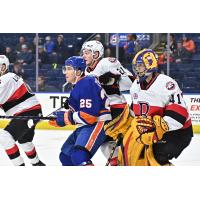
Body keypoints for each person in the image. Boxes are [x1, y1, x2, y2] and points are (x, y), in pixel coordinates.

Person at [105, 49, 193, 166]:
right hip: (150, 132)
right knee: (133, 155)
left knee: (156, 155)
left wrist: (157, 130)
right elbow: (135, 112)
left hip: (178, 132)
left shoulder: (166, 83)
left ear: (150, 66)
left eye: (140, 66)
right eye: (135, 66)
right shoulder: (135, 86)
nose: (137, 69)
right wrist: (125, 129)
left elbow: (179, 115)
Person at [49, 56, 111, 166]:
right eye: (65, 69)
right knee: (65, 156)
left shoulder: (85, 83)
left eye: (69, 69)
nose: (65, 72)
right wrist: (61, 118)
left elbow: (89, 116)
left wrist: (64, 118)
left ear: (78, 71)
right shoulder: (80, 85)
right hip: (85, 125)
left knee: (79, 156)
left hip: (98, 123)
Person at [81, 40, 135, 165]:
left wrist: (114, 80)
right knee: (105, 144)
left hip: (117, 110)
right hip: (103, 112)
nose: (84, 56)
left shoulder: (107, 63)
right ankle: (117, 162)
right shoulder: (87, 70)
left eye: (87, 53)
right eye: (83, 53)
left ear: (96, 54)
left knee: (105, 139)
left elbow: (131, 83)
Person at [0, 55, 45, 166]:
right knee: (24, 141)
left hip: (28, 112)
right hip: (31, 112)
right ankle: (37, 164)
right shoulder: (10, 77)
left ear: (3, 67)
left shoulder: (6, 78)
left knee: (5, 137)